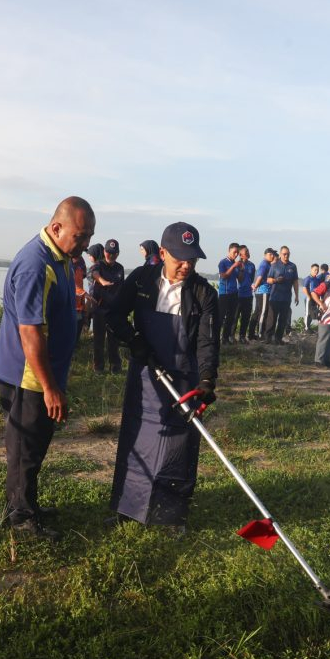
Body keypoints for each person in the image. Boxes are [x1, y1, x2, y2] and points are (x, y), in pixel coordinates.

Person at [0, 196, 96, 541]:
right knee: (25, 446)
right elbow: (30, 332)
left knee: (36, 444)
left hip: (45, 372)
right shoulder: (36, 263)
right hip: (28, 375)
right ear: (56, 227)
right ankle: (21, 518)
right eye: (80, 236)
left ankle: (26, 503)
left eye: (89, 236)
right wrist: (50, 388)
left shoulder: (61, 256)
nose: (85, 244)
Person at [105, 221, 218, 530]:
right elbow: (113, 314)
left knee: (177, 449)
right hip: (145, 373)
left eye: (192, 259)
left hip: (183, 378)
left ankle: (168, 516)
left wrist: (207, 380)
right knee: (137, 441)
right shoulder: (142, 280)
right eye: (180, 258)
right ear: (163, 252)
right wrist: (134, 340)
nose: (186, 265)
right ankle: (128, 507)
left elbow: (207, 343)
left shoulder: (204, 293)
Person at [89, 238, 125, 372]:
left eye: (114, 253)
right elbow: (94, 273)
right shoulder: (98, 265)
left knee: (114, 340)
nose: (111, 255)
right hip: (99, 309)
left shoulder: (120, 268)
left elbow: (122, 288)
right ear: (104, 252)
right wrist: (102, 281)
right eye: (109, 252)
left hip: (114, 310)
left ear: (118, 253)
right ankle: (98, 368)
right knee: (98, 340)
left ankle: (115, 367)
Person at [265, 245, 298, 344]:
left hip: (286, 297)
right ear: (280, 254)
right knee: (272, 319)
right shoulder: (274, 265)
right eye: (284, 254)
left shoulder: (292, 266)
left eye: (288, 254)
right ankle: (268, 338)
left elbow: (295, 281)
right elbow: (268, 279)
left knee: (283, 319)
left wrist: (296, 295)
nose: (286, 256)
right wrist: (276, 280)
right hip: (275, 297)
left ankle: (278, 339)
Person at [217, 242, 242, 344]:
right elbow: (224, 276)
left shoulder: (236, 264)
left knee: (231, 317)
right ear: (229, 251)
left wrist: (241, 270)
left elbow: (240, 279)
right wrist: (233, 266)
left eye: (237, 253)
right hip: (224, 293)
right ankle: (215, 338)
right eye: (234, 252)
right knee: (221, 316)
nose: (236, 255)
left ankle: (225, 338)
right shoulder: (223, 262)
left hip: (234, 293)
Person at [249, 248, 275, 341]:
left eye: (273, 254)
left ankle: (251, 334)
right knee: (263, 313)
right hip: (263, 291)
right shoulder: (264, 264)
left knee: (257, 312)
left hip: (262, 291)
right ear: (265, 255)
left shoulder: (267, 264)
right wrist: (255, 286)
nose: (272, 256)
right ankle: (260, 334)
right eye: (270, 254)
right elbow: (259, 276)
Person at [233, 244, 255, 343]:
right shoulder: (237, 265)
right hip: (238, 295)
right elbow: (240, 279)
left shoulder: (252, 265)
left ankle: (242, 336)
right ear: (241, 255)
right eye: (246, 253)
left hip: (248, 295)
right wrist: (242, 269)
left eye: (248, 252)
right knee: (235, 316)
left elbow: (251, 279)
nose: (248, 254)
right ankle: (231, 335)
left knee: (246, 317)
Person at [71, 253, 88, 342]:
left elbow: (80, 284)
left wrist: (84, 309)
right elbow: (70, 284)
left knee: (75, 341)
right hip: (68, 308)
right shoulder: (65, 262)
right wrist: (84, 293)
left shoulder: (80, 261)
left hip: (79, 308)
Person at [302, 263, 321, 332]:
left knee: (315, 312)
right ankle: (306, 328)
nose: (316, 271)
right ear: (311, 269)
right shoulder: (308, 278)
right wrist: (309, 297)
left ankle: (312, 327)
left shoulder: (317, 279)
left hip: (315, 298)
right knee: (308, 313)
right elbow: (304, 289)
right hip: (309, 298)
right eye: (315, 270)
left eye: (317, 270)